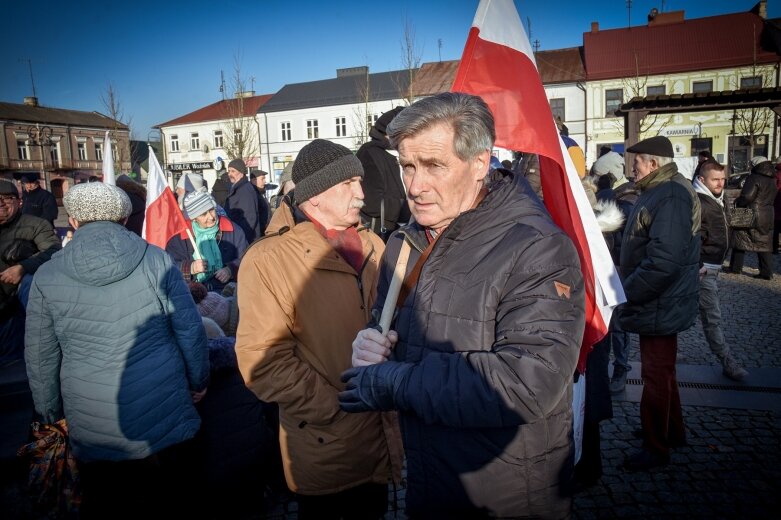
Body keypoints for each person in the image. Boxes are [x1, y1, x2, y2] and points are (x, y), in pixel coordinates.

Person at [338, 93, 585, 518]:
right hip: (431, 477)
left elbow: (527, 384)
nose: (415, 186)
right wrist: (374, 346)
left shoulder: (538, 248)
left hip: (504, 492)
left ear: (480, 163)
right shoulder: (404, 242)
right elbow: (398, 342)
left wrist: (393, 383)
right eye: (407, 166)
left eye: (434, 166)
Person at [235, 139, 402, 520]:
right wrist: (338, 408)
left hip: (379, 439)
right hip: (326, 442)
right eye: (348, 184)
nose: (361, 193)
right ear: (314, 195)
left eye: (359, 182)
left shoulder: (375, 244)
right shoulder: (269, 260)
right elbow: (262, 361)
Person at [24, 181, 209, 518]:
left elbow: (40, 356)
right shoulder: (156, 259)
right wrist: (198, 379)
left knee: (109, 505)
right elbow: (190, 328)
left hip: (92, 420)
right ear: (124, 219)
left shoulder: (47, 274)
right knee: (170, 501)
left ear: (75, 222)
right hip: (163, 406)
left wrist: (49, 413)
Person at [619, 135, 700, 471]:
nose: (631, 169)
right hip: (659, 299)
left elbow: (664, 261)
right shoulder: (661, 190)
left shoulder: (669, 194)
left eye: (635, 163)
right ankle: (671, 431)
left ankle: (656, 447)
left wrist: (629, 293)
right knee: (663, 372)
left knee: (654, 374)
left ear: (652, 164)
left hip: (659, 299)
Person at [693, 161, 749, 381]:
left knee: (695, 314)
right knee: (711, 317)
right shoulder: (700, 202)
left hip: (712, 267)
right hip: (704, 270)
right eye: (715, 179)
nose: (721, 183)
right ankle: (727, 361)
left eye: (723, 178)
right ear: (702, 180)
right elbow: (691, 236)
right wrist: (699, 265)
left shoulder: (717, 198)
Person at [591, 150, 639, 394]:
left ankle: (620, 368)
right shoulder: (619, 197)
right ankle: (612, 368)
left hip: (616, 270)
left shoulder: (622, 200)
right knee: (609, 324)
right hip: (611, 269)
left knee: (617, 325)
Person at [0, 179, 61, 363]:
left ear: (19, 201)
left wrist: (23, 267)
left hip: (18, 301)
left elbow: (54, 251)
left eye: (7, 198)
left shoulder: (35, 225)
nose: (1, 203)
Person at [166, 190, 247, 293]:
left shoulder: (233, 230)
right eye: (203, 214)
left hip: (227, 291)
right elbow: (168, 267)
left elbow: (247, 257)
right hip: (193, 294)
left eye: (212, 210)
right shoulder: (181, 237)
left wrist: (230, 270)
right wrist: (191, 268)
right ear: (194, 218)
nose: (211, 217)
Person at [356, 106, 410, 239]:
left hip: (407, 229)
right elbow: (370, 202)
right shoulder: (369, 153)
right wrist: (410, 208)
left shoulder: (407, 153)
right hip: (382, 234)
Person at [726, 156, 778, 280]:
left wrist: (739, 201)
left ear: (755, 165)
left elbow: (747, 196)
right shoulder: (772, 179)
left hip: (751, 213)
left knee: (739, 238)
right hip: (768, 214)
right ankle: (766, 272)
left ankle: (735, 267)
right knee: (764, 243)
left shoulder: (753, 177)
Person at [224, 158, 269, 243]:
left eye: (233, 171)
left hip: (246, 239)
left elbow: (250, 217)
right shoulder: (237, 188)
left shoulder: (245, 190)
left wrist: (240, 238)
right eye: (229, 171)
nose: (229, 174)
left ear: (241, 172)